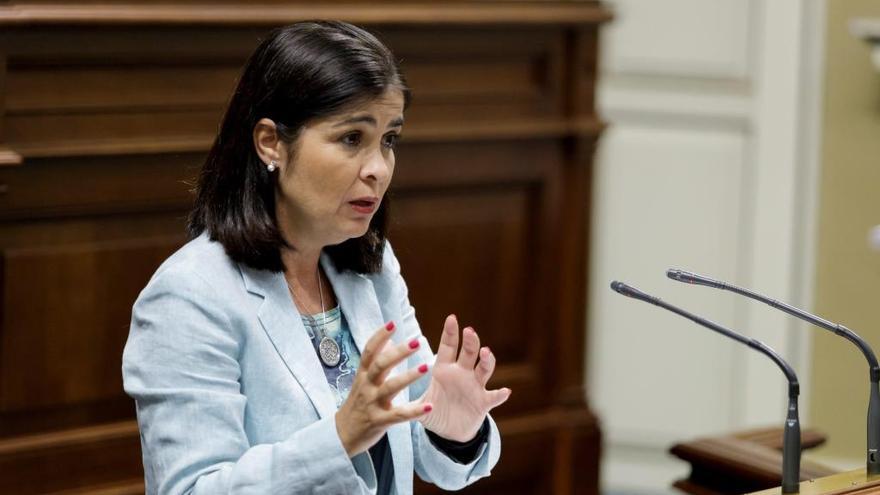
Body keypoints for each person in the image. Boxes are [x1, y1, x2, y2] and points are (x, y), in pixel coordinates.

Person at [121, 20, 511, 495]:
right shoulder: (189, 294)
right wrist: (340, 438)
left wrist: (452, 427)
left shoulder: (370, 266)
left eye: (389, 140)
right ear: (271, 143)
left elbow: (435, 464)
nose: (377, 169)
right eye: (352, 139)